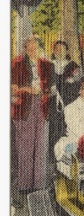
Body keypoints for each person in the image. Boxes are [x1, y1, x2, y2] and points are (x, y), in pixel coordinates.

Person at [11, 36, 54, 193]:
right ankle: (24, 185)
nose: (32, 50)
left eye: (35, 47)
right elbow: (12, 88)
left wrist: (45, 91)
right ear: (25, 49)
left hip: (42, 107)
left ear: (40, 48)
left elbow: (52, 88)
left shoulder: (48, 65)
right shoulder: (17, 63)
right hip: (24, 107)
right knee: (24, 146)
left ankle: (39, 184)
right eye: (29, 48)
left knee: (41, 145)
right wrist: (28, 89)